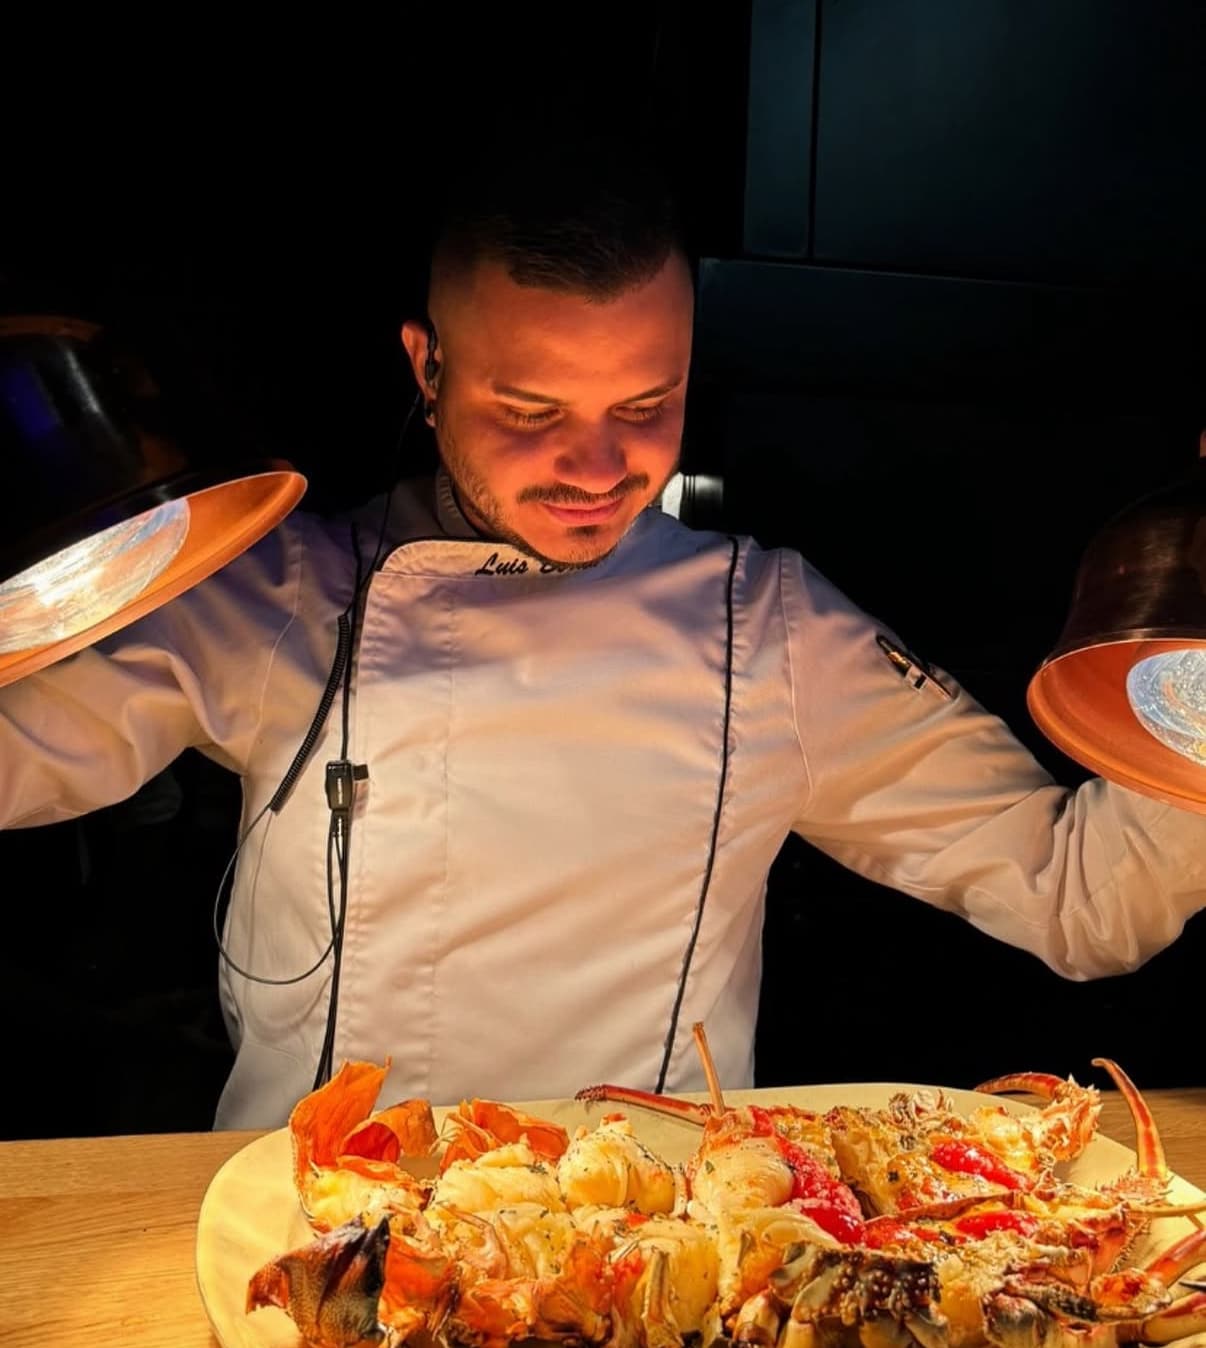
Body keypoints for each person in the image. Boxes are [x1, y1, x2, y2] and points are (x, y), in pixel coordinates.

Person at [1, 136, 1203, 1130]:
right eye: (530, 410)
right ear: (427, 367)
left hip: (640, 1263)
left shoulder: (767, 629)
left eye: (647, 403)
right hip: (303, 1238)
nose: (597, 465)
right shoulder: (276, 591)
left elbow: (1084, 898)